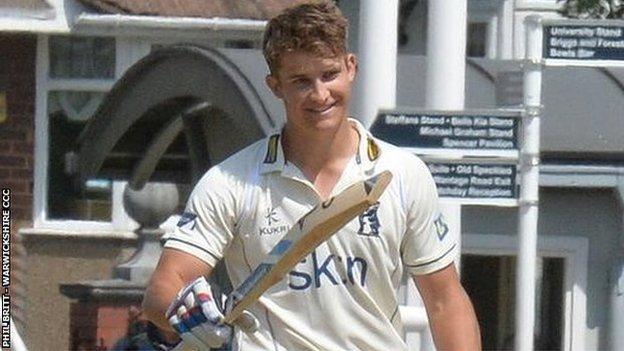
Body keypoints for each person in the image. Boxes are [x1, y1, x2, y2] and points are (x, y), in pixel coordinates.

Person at [142, 1, 481, 350]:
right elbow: (166, 284)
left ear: (351, 68)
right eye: (301, 81)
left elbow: (445, 303)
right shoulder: (231, 181)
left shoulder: (402, 174)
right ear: (275, 86)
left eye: (329, 74)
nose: (320, 95)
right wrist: (183, 317)